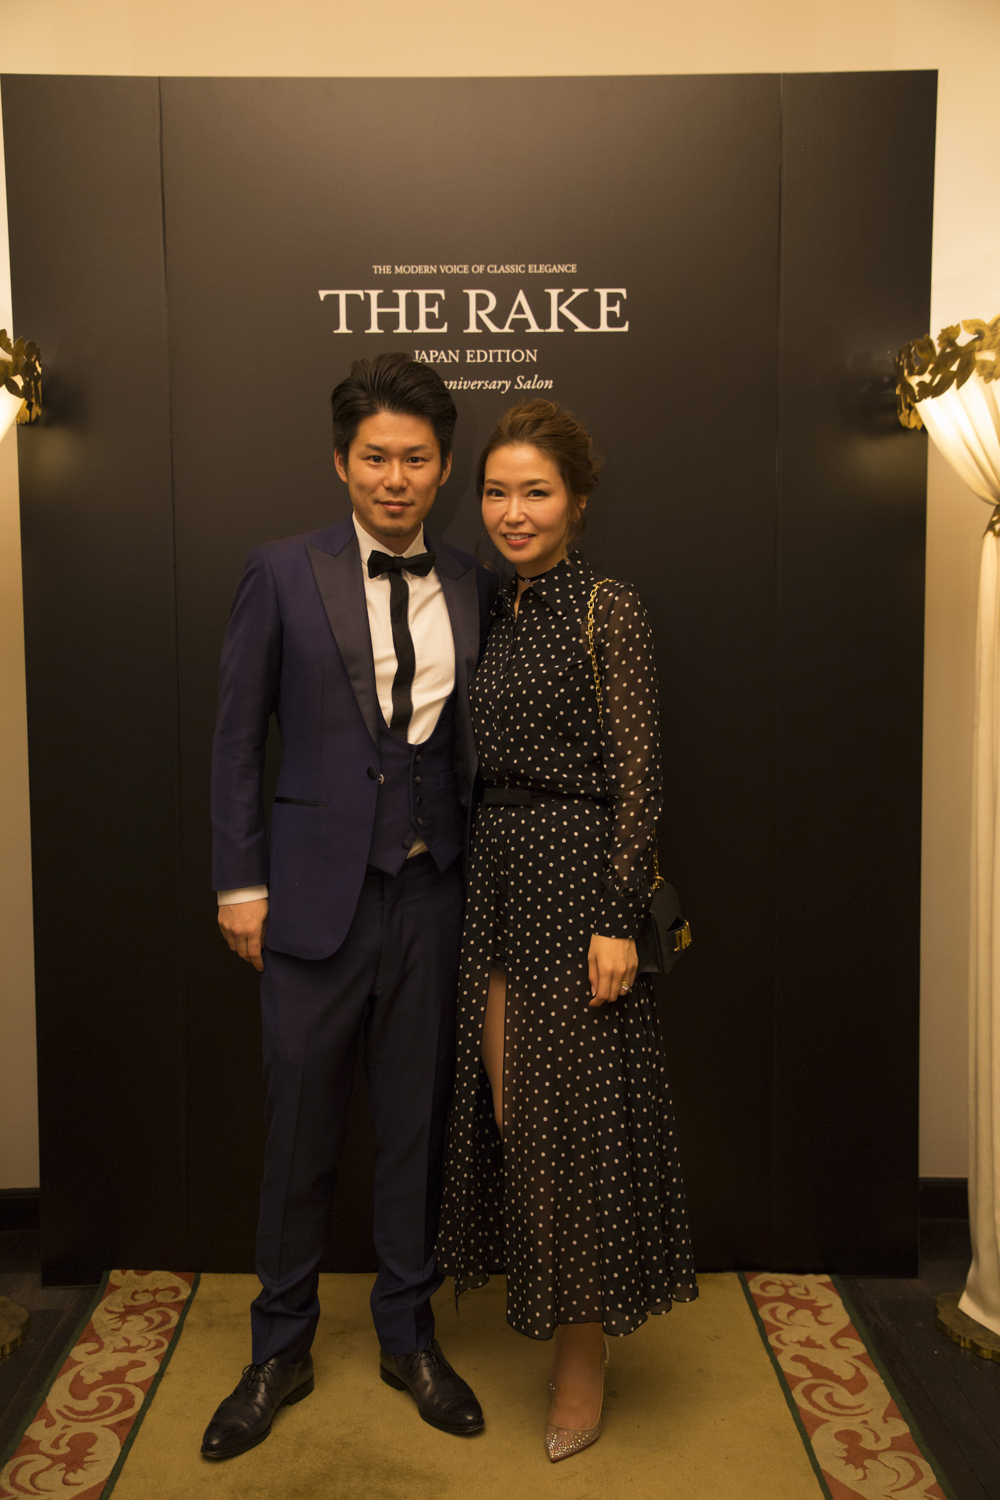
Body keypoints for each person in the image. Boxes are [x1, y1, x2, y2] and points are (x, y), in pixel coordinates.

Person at [202, 353, 498, 1460]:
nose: (395, 478)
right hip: (310, 901)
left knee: (415, 1127)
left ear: (444, 468)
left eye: (415, 459)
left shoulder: (472, 582)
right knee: (298, 1132)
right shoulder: (280, 572)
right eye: (375, 458)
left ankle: (407, 1336)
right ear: (341, 462)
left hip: (432, 896)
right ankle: (277, 1348)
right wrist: (241, 883)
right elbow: (238, 740)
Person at [435, 400, 698, 1462]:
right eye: (496, 491)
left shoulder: (607, 607)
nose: (512, 511)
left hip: (575, 881)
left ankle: (582, 1359)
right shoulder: (491, 606)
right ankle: (561, 1317)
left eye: (535, 492)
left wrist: (615, 919)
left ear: (577, 502)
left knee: (573, 1134)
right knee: (517, 1120)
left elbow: (640, 775)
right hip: (496, 883)